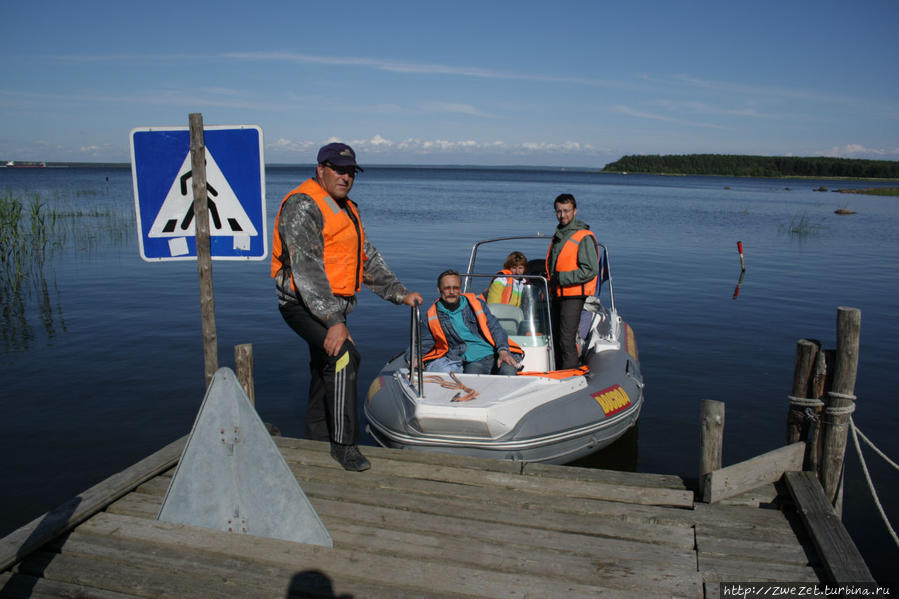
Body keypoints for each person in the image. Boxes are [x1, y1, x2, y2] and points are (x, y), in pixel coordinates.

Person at [271, 142, 423, 472]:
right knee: (343, 357)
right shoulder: (303, 205)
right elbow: (307, 270)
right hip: (301, 303)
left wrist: (399, 293)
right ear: (320, 169)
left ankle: (315, 438)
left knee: (324, 366)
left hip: (329, 307)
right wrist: (335, 320)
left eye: (350, 171)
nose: (345, 177)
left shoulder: (347, 209)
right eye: (338, 170)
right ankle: (344, 444)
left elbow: (365, 258)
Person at [422, 270, 523, 375]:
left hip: (497, 352)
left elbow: (495, 328)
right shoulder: (432, 315)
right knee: (473, 379)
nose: (451, 292)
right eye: (447, 288)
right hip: (474, 361)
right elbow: (425, 341)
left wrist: (503, 351)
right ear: (439, 290)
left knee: (509, 374)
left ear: (460, 289)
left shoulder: (476, 304)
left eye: (455, 288)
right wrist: (413, 357)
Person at [545, 193, 599, 370]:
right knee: (554, 337)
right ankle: (557, 371)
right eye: (559, 211)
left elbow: (591, 270)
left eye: (566, 211)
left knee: (566, 339)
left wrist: (561, 278)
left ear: (575, 211)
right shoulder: (560, 234)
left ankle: (570, 376)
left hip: (573, 295)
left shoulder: (583, 236)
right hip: (557, 293)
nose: (563, 215)